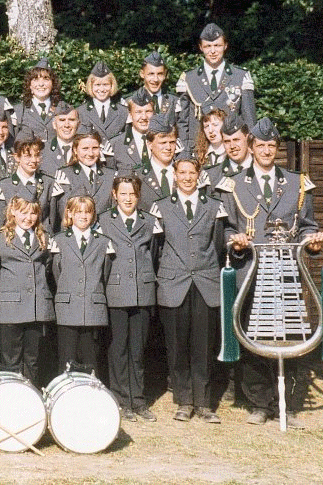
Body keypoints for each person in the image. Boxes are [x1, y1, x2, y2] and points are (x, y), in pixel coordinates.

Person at [221, 117, 323, 426]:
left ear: (276, 149)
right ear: (250, 148)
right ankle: (259, 402)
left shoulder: (297, 182)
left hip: (286, 272)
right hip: (250, 271)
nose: (266, 150)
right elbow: (226, 230)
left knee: (288, 336)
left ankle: (287, 403)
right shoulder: (234, 183)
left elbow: (308, 227)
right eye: (261, 145)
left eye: (271, 146)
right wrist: (237, 244)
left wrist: (313, 243)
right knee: (253, 335)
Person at [149, 157, 228, 424]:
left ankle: (204, 403)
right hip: (174, 283)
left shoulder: (214, 206)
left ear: (199, 175)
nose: (186, 178)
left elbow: (218, 245)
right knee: (177, 344)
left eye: (191, 173)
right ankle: (183, 400)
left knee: (204, 345)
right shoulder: (160, 207)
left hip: (205, 283)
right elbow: (155, 249)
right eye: (181, 173)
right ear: (174, 175)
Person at [97, 175, 158, 422]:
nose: (128, 198)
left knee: (137, 349)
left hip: (142, 292)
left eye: (132, 194)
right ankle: (122, 399)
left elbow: (154, 252)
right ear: (114, 195)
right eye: (123, 194)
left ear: (138, 196)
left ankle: (139, 400)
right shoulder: (103, 221)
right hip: (116, 292)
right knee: (118, 348)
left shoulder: (149, 221)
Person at [0, 196, 54, 385]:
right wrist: (3, 301)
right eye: (23, 212)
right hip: (10, 311)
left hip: (36, 308)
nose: (28, 217)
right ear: (13, 213)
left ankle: (31, 398)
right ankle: (13, 400)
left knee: (32, 359)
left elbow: (47, 268)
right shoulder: (0, 239)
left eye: (33, 213)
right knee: (11, 360)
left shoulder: (44, 237)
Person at [51, 196, 113, 376]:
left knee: (91, 357)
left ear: (93, 215)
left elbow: (105, 273)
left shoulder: (103, 241)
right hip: (68, 308)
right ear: (70, 213)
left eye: (88, 212)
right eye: (78, 211)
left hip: (92, 309)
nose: (83, 216)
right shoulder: (59, 240)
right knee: (66, 358)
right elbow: (57, 272)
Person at [176, 23, 257, 150]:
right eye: (208, 46)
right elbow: (182, 122)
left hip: (232, 149)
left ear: (225, 45)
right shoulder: (188, 79)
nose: (212, 51)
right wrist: (185, 152)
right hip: (198, 150)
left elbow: (249, 120)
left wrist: (250, 149)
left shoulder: (240, 76)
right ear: (201, 47)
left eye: (217, 45)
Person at [0, 138, 62, 235]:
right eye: (27, 156)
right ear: (17, 157)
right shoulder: (3, 187)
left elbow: (54, 223)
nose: (34, 160)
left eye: (37, 155)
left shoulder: (49, 184)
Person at [55, 131, 116, 216]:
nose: (90, 153)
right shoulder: (65, 175)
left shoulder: (110, 175)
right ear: (75, 150)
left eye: (95, 148)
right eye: (85, 148)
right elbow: (62, 210)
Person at [134, 112, 180, 212]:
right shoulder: (138, 176)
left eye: (172, 142)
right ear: (149, 144)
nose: (168, 147)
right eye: (163, 143)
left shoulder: (184, 171)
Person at [105, 88, 155, 173]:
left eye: (148, 111)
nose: (144, 117)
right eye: (138, 112)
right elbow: (109, 179)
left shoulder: (166, 141)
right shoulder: (115, 145)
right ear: (130, 114)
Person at [76, 61, 128, 143]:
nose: (102, 89)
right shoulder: (80, 111)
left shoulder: (123, 111)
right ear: (91, 86)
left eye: (105, 84)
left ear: (112, 86)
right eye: (97, 85)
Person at [13, 58, 62, 143]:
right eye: (36, 79)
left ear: (53, 83)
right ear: (30, 85)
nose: (41, 84)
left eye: (46, 79)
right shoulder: (18, 111)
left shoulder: (62, 109)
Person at [39, 101, 79, 176]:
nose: (67, 125)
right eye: (62, 120)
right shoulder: (42, 151)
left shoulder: (87, 150)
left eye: (71, 120)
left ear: (78, 124)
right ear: (54, 124)